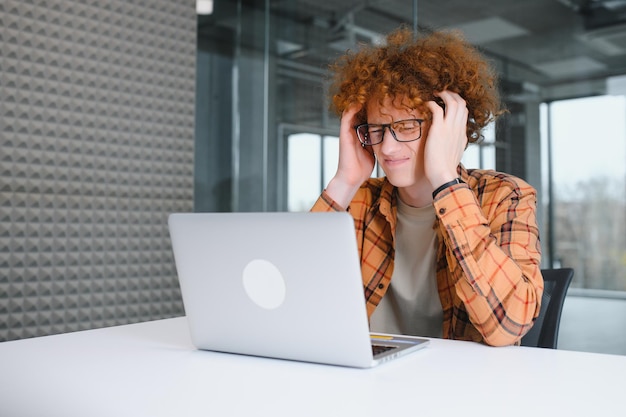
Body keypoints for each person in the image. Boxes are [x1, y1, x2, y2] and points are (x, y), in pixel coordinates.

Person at [310, 26, 542, 347]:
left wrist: (445, 178)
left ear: (448, 127)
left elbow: (509, 324)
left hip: (458, 384)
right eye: (377, 129)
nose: (387, 148)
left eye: (405, 126)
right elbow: (294, 299)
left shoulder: (503, 195)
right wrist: (344, 180)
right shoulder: (360, 199)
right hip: (367, 378)